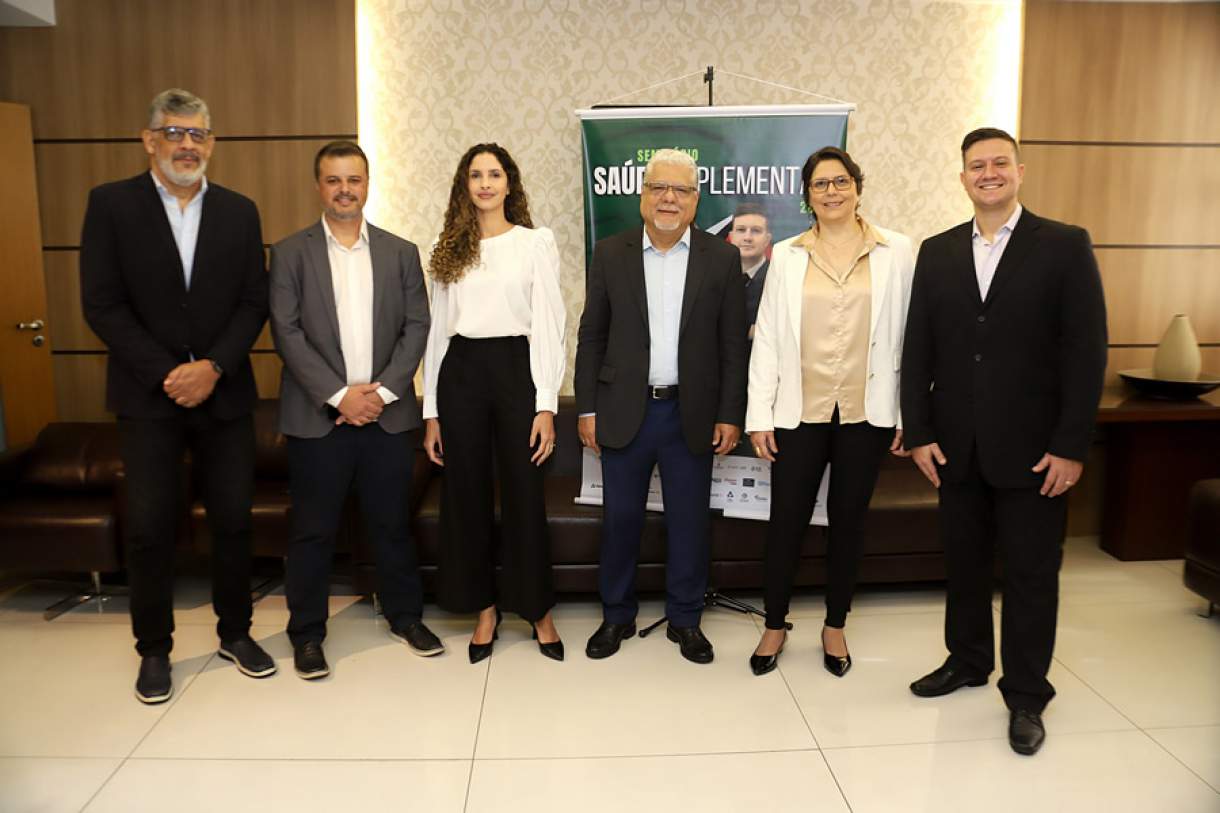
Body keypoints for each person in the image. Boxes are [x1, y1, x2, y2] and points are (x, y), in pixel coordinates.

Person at [901, 127, 1107, 755]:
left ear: (1020, 171)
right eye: (975, 165)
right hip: (954, 447)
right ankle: (967, 660)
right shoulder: (937, 252)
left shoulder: (1064, 245)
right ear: (962, 178)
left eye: (998, 163)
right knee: (963, 565)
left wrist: (1071, 445)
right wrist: (919, 432)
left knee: (1030, 575)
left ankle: (1026, 694)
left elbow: (1085, 352)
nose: (987, 173)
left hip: (1036, 450)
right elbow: (918, 348)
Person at [80, 88, 273, 703]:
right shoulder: (110, 205)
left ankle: (235, 633)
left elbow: (253, 302)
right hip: (147, 397)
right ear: (149, 139)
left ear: (211, 143)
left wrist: (212, 367)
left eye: (197, 134)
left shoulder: (240, 211)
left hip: (225, 394)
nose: (186, 145)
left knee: (233, 522)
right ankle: (154, 649)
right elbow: (101, 304)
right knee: (149, 527)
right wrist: (169, 372)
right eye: (173, 132)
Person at [270, 140, 442, 679]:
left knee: (392, 526)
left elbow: (417, 326)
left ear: (367, 184)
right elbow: (286, 332)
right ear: (319, 187)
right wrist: (340, 396)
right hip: (317, 419)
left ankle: (406, 618)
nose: (345, 189)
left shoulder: (400, 252)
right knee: (313, 532)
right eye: (334, 180)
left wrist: (380, 395)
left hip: (386, 418)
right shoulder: (290, 253)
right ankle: (307, 635)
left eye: (354, 179)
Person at [745, 146, 915, 678]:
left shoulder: (897, 251)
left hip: (868, 413)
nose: (832, 192)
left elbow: (910, 337)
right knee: (786, 522)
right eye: (820, 184)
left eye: (841, 181)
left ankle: (835, 624)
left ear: (857, 187)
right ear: (808, 196)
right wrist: (759, 415)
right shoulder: (787, 255)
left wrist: (908, 413)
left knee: (848, 522)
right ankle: (775, 623)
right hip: (799, 411)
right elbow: (768, 337)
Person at [576, 149, 747, 664]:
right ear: (643, 196)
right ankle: (616, 615)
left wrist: (730, 413)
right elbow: (592, 336)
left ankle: (686, 620)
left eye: (681, 190)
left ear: (695, 200)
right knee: (621, 521)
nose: (669, 198)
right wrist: (587, 409)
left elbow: (732, 344)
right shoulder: (611, 253)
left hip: (690, 413)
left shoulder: (721, 258)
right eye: (658, 188)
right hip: (624, 410)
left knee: (689, 524)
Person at [422, 143, 566, 663]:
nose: (485, 183)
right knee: (465, 495)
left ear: (509, 184)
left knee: (525, 492)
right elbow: (438, 332)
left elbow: (549, 324)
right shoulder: (448, 248)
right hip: (460, 372)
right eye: (476, 175)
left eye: (494, 174)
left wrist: (546, 404)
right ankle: (484, 609)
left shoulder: (534, 243)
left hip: (515, 371)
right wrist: (431, 411)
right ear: (465, 185)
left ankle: (538, 610)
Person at [727, 202, 773, 336]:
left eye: (756, 231)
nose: (747, 238)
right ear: (731, 236)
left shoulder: (778, 278)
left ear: (767, 239)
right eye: (741, 230)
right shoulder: (716, 277)